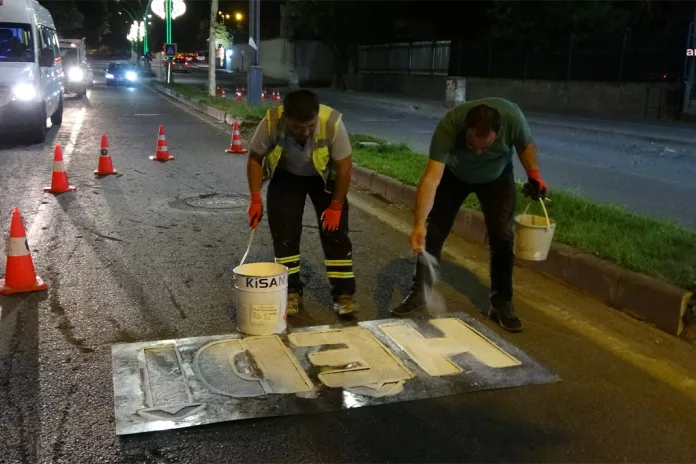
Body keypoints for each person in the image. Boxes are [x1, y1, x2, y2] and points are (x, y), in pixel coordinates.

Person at [391, 97, 549, 333]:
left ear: (498, 132)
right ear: (466, 128)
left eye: (485, 147)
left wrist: (534, 175)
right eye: (472, 144)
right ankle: (420, 292)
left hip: (496, 177)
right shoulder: (449, 125)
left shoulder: (513, 118)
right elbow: (432, 177)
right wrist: (419, 224)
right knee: (433, 230)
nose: (477, 152)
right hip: (455, 174)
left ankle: (502, 303)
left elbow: (525, 145)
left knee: (503, 235)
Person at [246, 89, 356, 317]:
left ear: (317, 116)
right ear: (287, 118)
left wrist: (335, 206)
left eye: (310, 125)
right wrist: (255, 199)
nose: (305, 132)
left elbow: (344, 168)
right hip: (286, 176)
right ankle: (291, 292)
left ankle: (344, 295)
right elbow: (255, 158)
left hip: (323, 179)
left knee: (335, 234)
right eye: (298, 127)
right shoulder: (271, 122)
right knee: (285, 233)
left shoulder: (333, 123)